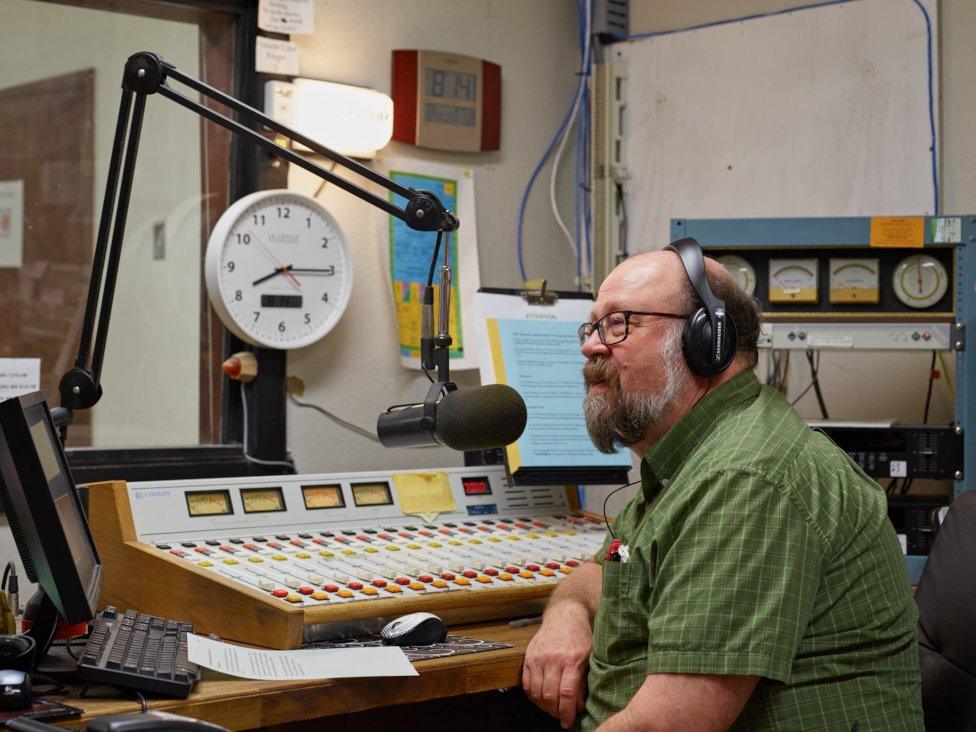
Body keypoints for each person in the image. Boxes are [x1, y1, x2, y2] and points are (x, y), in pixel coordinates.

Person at [521, 242, 923, 731]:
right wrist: (565, 612)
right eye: (593, 326)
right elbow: (609, 573)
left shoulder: (744, 477)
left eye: (619, 323)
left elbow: (670, 725)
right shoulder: (690, 459)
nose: (590, 346)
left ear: (704, 340)